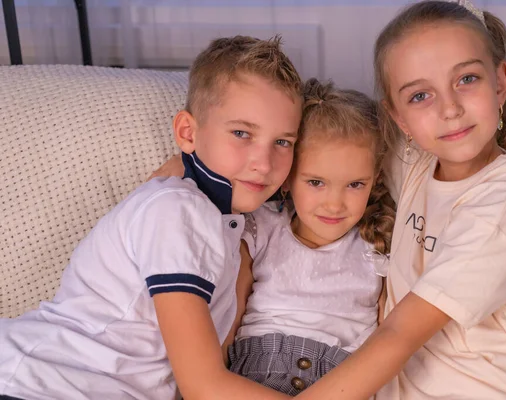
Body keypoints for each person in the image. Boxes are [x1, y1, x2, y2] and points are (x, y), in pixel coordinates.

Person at [0, 35, 304, 400]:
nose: (264, 163)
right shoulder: (180, 211)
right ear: (187, 133)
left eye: (282, 142)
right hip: (39, 381)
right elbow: (204, 387)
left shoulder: (209, 212)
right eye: (241, 133)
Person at [294, 1, 506, 399]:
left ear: (499, 83)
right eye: (421, 96)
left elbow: (399, 334)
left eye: (467, 79)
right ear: (399, 118)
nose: (450, 109)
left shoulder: (501, 205)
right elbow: (321, 138)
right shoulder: (418, 162)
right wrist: (188, 165)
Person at [227, 78, 396, 395]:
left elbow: (390, 338)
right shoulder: (259, 229)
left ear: (374, 181)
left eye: (355, 184)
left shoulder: (379, 245)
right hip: (255, 377)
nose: (334, 204)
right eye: (316, 182)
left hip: (341, 383)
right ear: (288, 177)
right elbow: (224, 323)